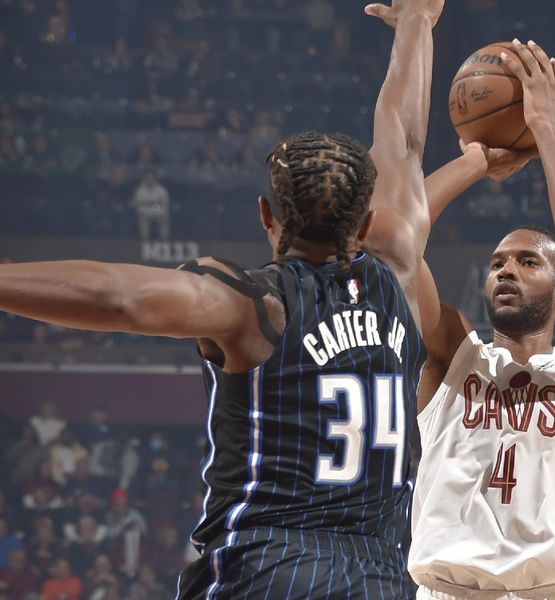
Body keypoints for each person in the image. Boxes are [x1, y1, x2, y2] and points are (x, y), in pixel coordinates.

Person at [0, 0, 444, 597]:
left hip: (266, 569)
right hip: (383, 576)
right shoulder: (402, 277)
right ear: (364, 226)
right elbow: (405, 140)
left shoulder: (255, 307)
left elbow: (117, 298)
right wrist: (418, 23)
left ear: (267, 215)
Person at [407, 40, 555, 599]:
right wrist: (475, 161)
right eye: (496, 263)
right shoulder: (454, 357)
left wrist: (545, 136)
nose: (505, 270)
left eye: (527, 261)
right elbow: (396, 243)